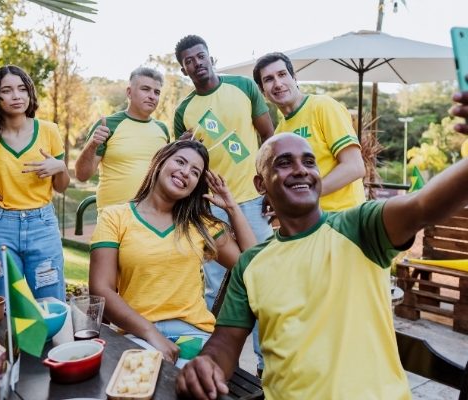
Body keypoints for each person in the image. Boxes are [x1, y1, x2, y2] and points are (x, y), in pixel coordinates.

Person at [176, 114, 468, 398]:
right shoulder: (250, 264)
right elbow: (225, 343)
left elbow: (423, 206)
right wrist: (207, 364)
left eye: (309, 161)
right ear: (261, 184)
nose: (301, 170)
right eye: (284, 163)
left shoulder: (360, 228)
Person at [88, 140, 257, 366]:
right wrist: (151, 334)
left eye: (195, 172)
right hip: (137, 333)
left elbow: (252, 265)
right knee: (140, 382)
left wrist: (232, 208)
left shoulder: (201, 224)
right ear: (160, 162)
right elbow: (100, 289)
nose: (186, 172)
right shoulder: (114, 217)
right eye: (180, 162)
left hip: (194, 333)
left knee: (196, 382)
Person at [174, 34, 274, 374]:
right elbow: (181, 159)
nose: (196, 63)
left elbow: (269, 139)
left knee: (262, 279)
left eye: (200, 56)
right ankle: (213, 361)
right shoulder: (184, 110)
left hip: (252, 201)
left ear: (210, 57)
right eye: (189, 61)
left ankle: (265, 365)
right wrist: (181, 143)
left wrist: (270, 188)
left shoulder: (243, 87)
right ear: (184, 69)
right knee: (216, 286)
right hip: (210, 207)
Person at [0, 65, 70, 300]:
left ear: (30, 93)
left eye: (22, 89)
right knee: (3, 305)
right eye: (7, 90)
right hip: (0, 227)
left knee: (50, 303)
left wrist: (60, 167)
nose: (16, 96)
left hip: (42, 225)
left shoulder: (49, 131)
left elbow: (60, 186)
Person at [253, 52, 365, 211]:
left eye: (282, 74)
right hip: (309, 220)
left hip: (345, 216)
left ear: (294, 77)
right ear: (262, 90)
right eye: (269, 79)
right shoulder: (279, 134)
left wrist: (307, 194)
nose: (278, 84)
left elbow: (355, 167)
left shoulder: (323, 106)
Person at [75, 67, 170, 210]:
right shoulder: (107, 125)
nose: (152, 96)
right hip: (113, 217)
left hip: (152, 217)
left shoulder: (162, 129)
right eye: (145, 89)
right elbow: (82, 176)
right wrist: (92, 145)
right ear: (129, 92)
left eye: (157, 92)